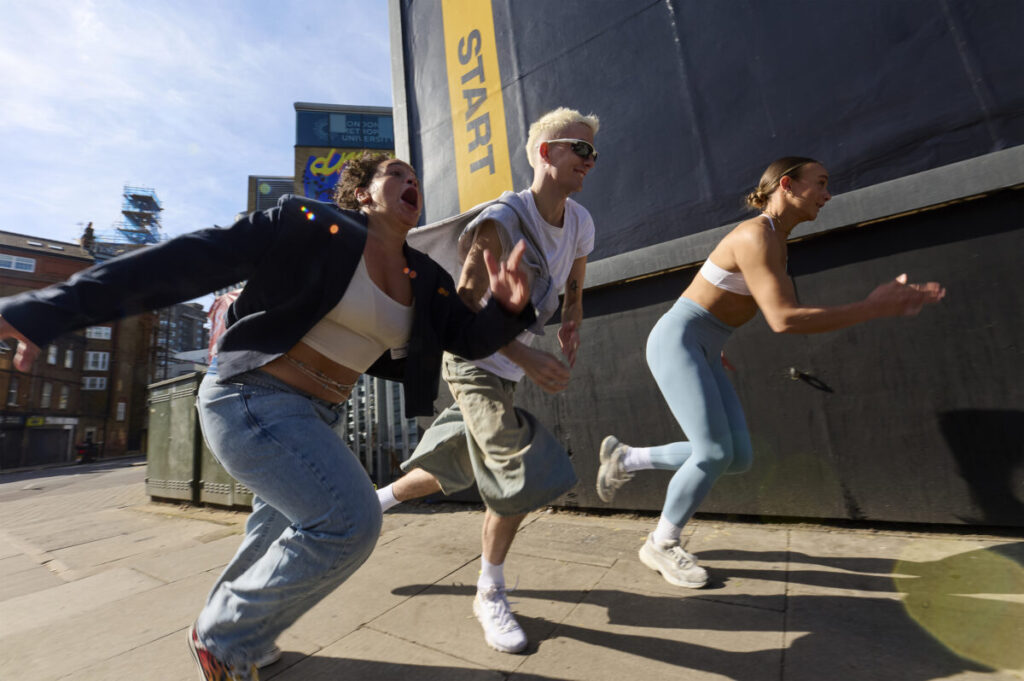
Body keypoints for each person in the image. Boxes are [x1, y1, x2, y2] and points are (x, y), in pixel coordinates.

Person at [0, 152, 535, 681]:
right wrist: (49, 310)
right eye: (395, 174)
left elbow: (463, 339)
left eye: (414, 177)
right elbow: (187, 259)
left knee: (273, 531)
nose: (410, 180)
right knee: (349, 521)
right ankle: (225, 637)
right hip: (250, 399)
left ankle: (242, 637)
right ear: (363, 193)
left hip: (318, 417)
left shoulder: (424, 276)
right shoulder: (310, 225)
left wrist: (506, 310)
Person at [596, 157, 946, 589]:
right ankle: (661, 543)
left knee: (736, 458)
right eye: (820, 183)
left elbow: (742, 308)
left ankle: (627, 458)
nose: (828, 193)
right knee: (711, 453)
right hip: (679, 340)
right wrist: (872, 308)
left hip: (703, 344)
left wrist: (712, 346)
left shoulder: (777, 241)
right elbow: (783, 319)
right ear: (787, 185)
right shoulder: (755, 235)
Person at [375, 107, 599, 654]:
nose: (592, 162)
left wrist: (571, 321)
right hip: (473, 362)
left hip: (506, 368)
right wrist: (525, 355)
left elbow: (575, 280)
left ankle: (373, 502)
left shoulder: (581, 221)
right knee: (512, 462)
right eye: (582, 149)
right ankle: (490, 591)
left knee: (455, 460)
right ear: (546, 153)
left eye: (595, 152)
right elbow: (465, 315)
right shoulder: (501, 221)